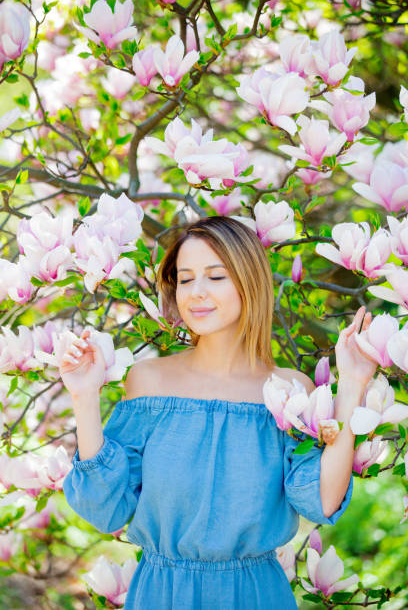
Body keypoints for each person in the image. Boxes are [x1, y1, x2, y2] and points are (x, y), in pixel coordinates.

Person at [61, 216, 377, 609]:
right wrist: (84, 396)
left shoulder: (289, 391)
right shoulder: (148, 381)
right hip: (163, 595)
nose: (196, 293)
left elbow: (322, 500)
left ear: (249, 281)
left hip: (256, 595)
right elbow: (106, 509)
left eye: (215, 276)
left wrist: (351, 385)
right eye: (186, 278)